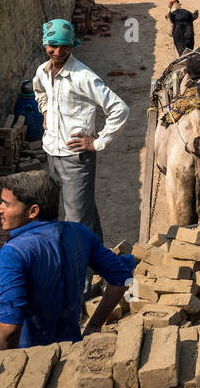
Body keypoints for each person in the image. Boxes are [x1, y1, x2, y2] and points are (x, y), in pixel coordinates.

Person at [0, 170, 136, 350]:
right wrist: (93, 326)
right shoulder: (79, 233)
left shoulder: (14, 251)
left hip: (32, 361)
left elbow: (8, 328)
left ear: (33, 211)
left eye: (6, 204)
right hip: (71, 351)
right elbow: (122, 277)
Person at [31, 18, 129, 238]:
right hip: (52, 154)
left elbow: (119, 109)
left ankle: (80, 272)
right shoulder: (43, 72)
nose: (58, 52)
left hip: (76, 159)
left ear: (72, 45)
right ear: (45, 44)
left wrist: (98, 141)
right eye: (53, 46)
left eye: (65, 46)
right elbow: (39, 91)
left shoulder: (82, 76)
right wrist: (46, 112)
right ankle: (98, 263)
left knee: (77, 222)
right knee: (81, 212)